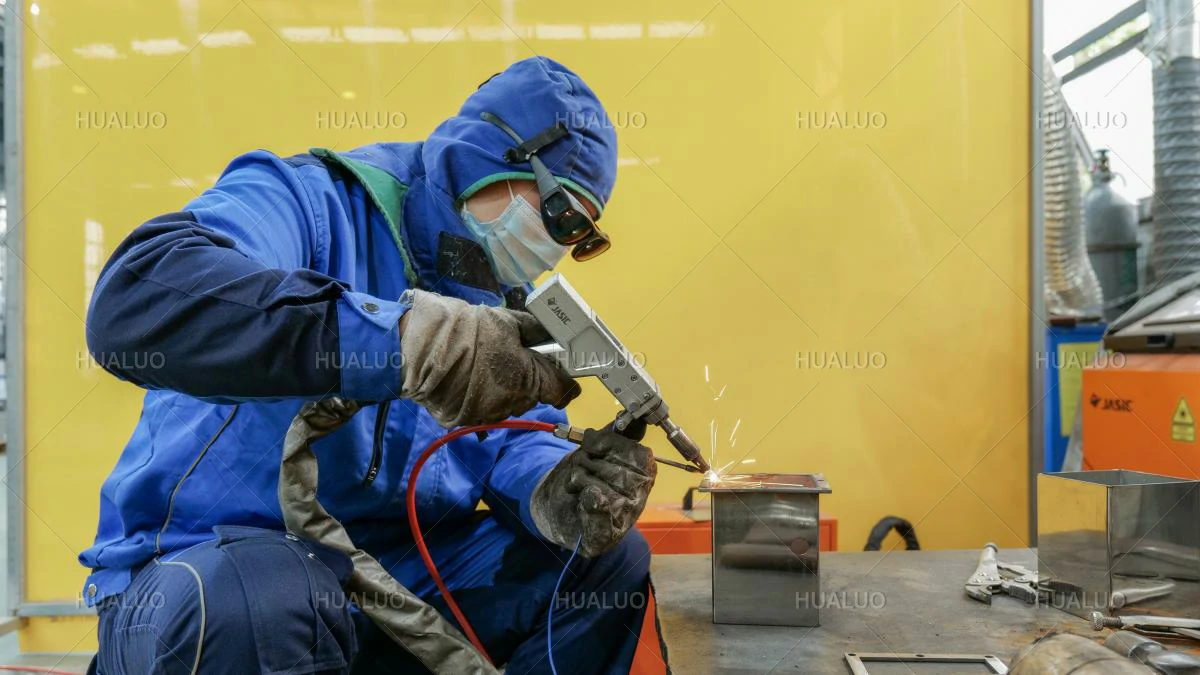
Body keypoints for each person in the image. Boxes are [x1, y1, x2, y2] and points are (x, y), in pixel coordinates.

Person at [81, 56, 663, 674]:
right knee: (265, 598)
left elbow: (502, 441)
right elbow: (135, 298)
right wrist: (402, 341)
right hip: (205, 579)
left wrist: (553, 489)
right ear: (494, 153)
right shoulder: (305, 203)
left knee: (602, 566)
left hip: (377, 583)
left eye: (577, 237)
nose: (554, 246)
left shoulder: (494, 297)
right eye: (559, 215)